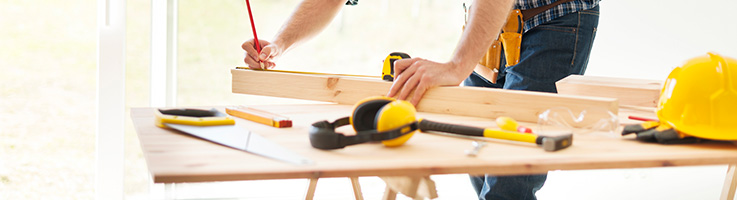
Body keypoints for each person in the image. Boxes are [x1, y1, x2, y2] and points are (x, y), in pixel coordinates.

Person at [242, 0, 600, 199]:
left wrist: (457, 65)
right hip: (489, 23)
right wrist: (278, 45)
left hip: (553, 19)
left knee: (509, 179)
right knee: (480, 161)